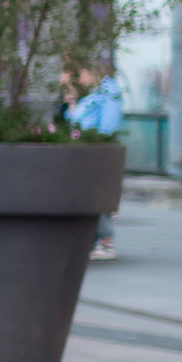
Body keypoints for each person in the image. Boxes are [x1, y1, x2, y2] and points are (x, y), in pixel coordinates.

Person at [66, 64, 127, 260]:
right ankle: (96, 240)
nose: (79, 78)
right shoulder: (96, 94)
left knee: (95, 194)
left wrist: (100, 144)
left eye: (81, 72)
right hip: (86, 149)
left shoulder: (108, 92)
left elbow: (109, 124)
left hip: (95, 149)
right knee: (91, 194)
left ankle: (105, 241)